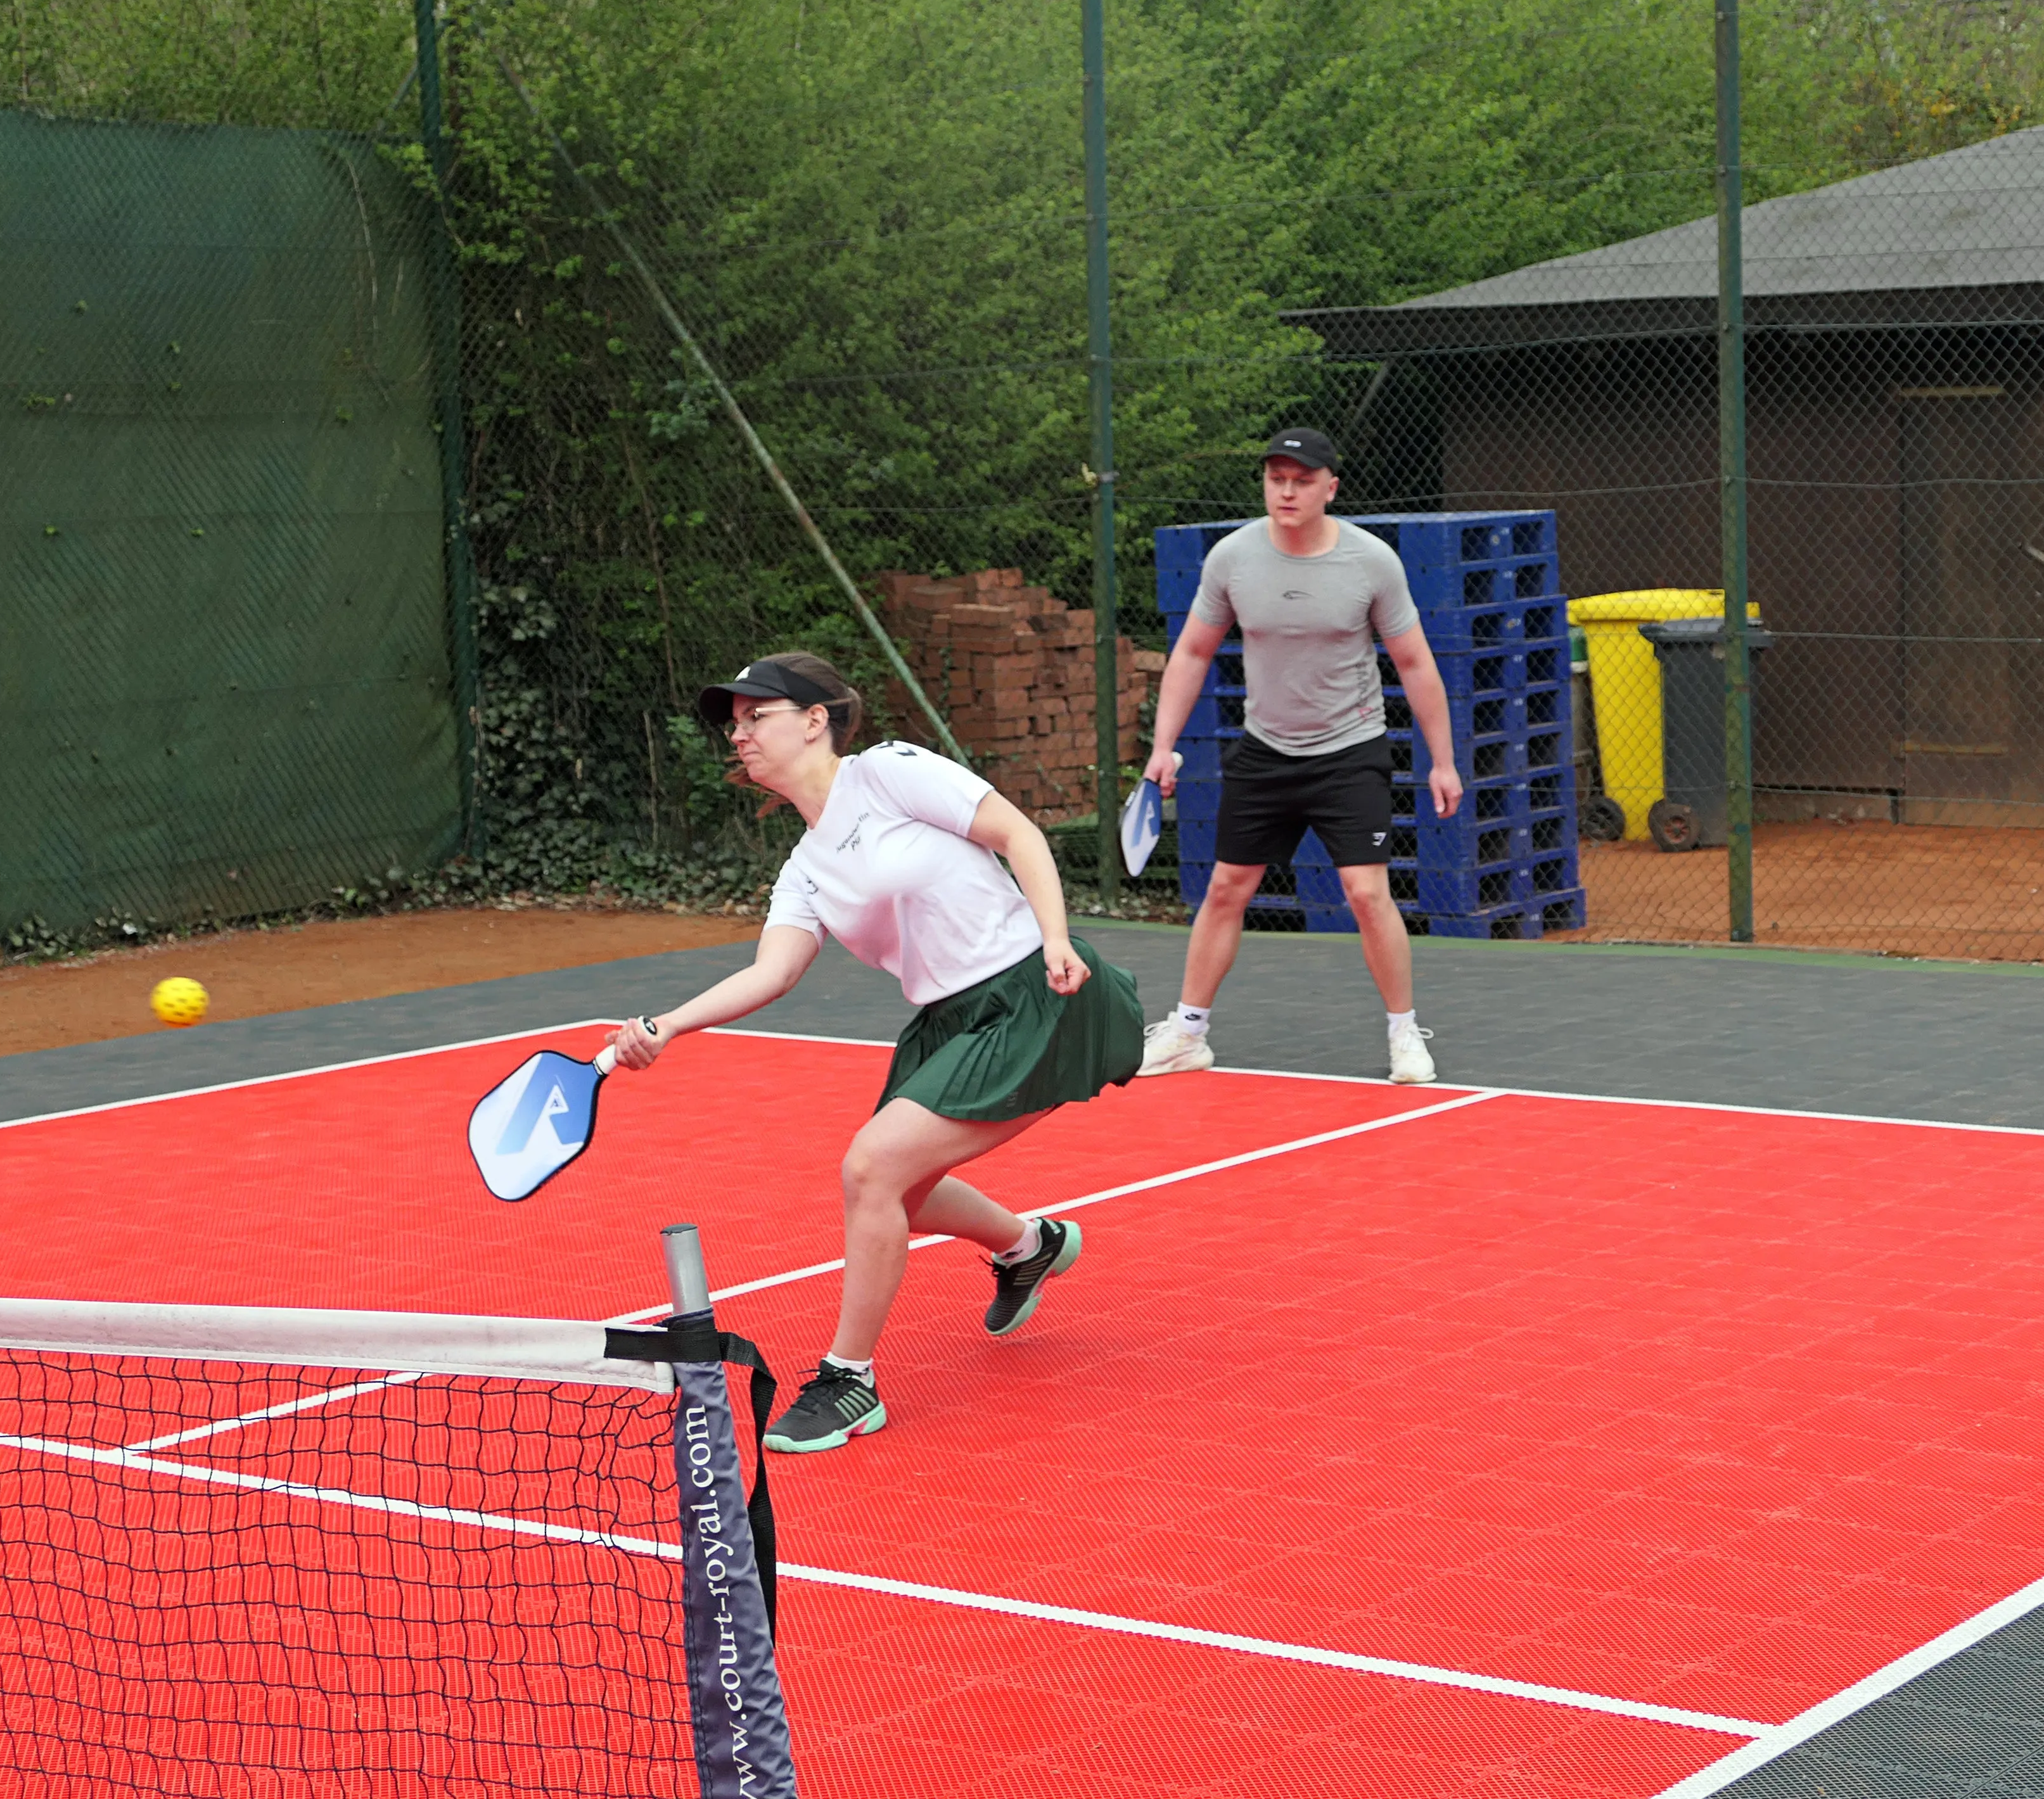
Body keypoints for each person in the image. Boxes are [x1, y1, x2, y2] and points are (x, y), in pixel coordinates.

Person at [606, 652, 1144, 1454]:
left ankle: (848, 1377)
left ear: (815, 719)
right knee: (903, 1190)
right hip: (946, 1017)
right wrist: (669, 1025)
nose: (739, 732)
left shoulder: (887, 772)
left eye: (758, 715)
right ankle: (1028, 1245)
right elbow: (773, 971)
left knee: (871, 1170)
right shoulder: (804, 868)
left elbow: (1015, 831)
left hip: (1035, 990)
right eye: (735, 721)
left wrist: (1057, 937)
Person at [1139, 428, 1460, 1084]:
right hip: (1266, 750)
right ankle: (1186, 1034)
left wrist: (1443, 760)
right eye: (1276, 477)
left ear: (1330, 488)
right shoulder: (1231, 558)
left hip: (1351, 749)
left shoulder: (1373, 562)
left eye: (1303, 479)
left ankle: (1405, 1034)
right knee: (1227, 887)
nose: (1287, 490)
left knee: (1366, 893)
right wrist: (1162, 747)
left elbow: (1414, 661)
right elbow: (1194, 652)